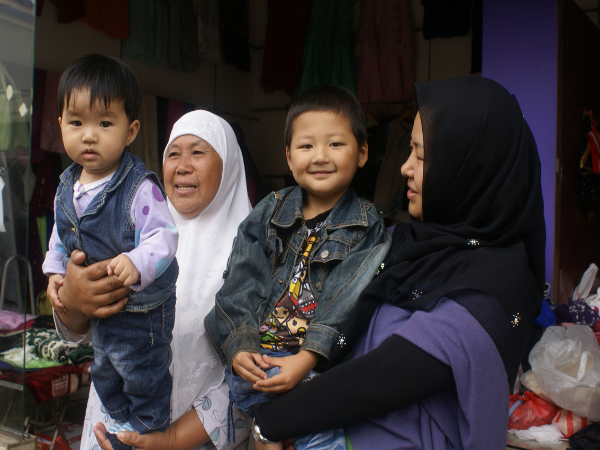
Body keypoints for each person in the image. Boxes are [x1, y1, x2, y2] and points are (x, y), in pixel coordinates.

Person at [250, 77, 546, 450]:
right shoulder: (400, 242)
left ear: (471, 166)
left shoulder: (494, 288)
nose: (405, 167)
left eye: (422, 157)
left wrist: (272, 422)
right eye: (409, 151)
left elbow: (380, 380)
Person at [51, 110, 253, 450]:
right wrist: (72, 296)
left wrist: (169, 440)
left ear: (229, 166)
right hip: (110, 432)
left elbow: (253, 380)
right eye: (173, 154)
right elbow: (77, 330)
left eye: (198, 152)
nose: (182, 166)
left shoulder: (256, 255)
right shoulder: (129, 232)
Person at [204, 85, 391, 450]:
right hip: (257, 362)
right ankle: (270, 426)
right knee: (250, 394)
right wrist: (240, 346)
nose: (320, 156)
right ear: (289, 157)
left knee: (321, 433)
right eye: (306, 146)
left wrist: (304, 360)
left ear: (363, 153)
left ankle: (272, 427)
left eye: (335, 144)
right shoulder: (270, 211)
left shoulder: (367, 225)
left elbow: (344, 300)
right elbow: (241, 280)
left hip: (315, 368)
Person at [42, 54, 179, 450]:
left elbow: (165, 236)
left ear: (131, 130)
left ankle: (145, 432)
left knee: (143, 375)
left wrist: (136, 261)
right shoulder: (66, 187)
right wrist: (56, 273)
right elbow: (61, 235)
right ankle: (119, 424)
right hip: (102, 317)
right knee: (104, 371)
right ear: (60, 125)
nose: (89, 135)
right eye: (76, 123)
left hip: (141, 313)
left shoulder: (139, 187)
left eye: (104, 123)